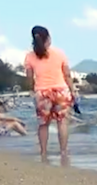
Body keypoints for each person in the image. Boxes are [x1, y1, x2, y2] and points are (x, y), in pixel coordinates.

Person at [23, 26, 77, 159]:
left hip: (42, 93)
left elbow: (29, 78)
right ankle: (63, 152)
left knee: (43, 125)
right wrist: (73, 91)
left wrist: (31, 90)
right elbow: (67, 75)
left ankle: (43, 152)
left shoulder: (29, 57)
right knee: (62, 123)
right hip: (61, 91)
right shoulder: (59, 53)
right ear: (48, 38)